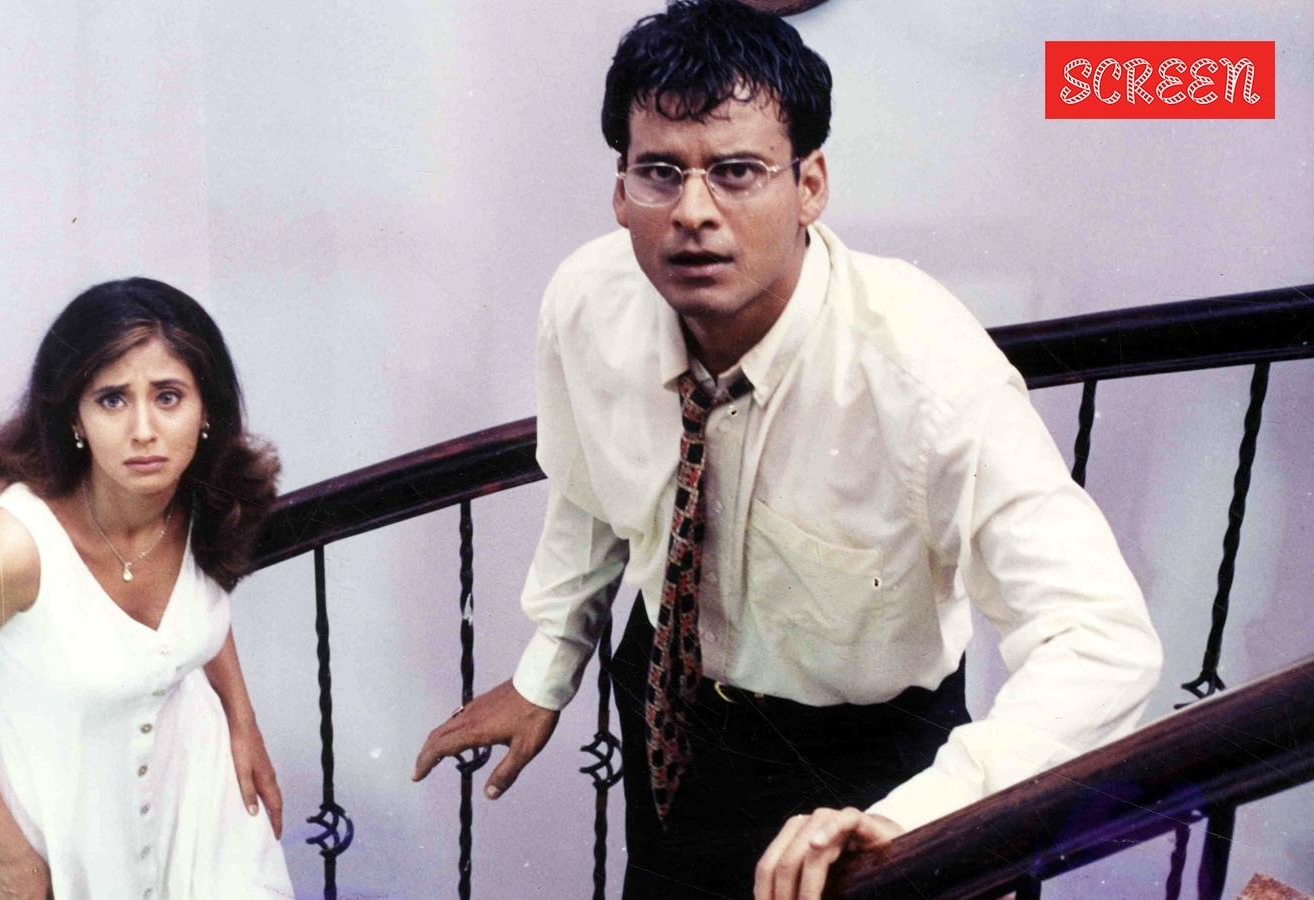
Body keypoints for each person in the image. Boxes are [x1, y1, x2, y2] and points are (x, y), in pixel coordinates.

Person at [412, 2, 1163, 899]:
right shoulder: (587, 303)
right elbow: (591, 490)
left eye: (737, 172)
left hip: (863, 751)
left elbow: (1101, 639)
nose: (694, 212)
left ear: (809, 185)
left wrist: (917, 817)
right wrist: (548, 665)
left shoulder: (921, 369)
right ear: (620, 191)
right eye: (660, 173)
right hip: (668, 700)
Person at [0, 278, 295, 900]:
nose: (144, 430)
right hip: (67, 838)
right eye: (112, 399)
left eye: (168, 396)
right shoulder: (15, 546)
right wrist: (13, 858)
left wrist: (244, 723)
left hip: (201, 809)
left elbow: (199, 611)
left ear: (207, 410)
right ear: (74, 417)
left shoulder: (206, 501)